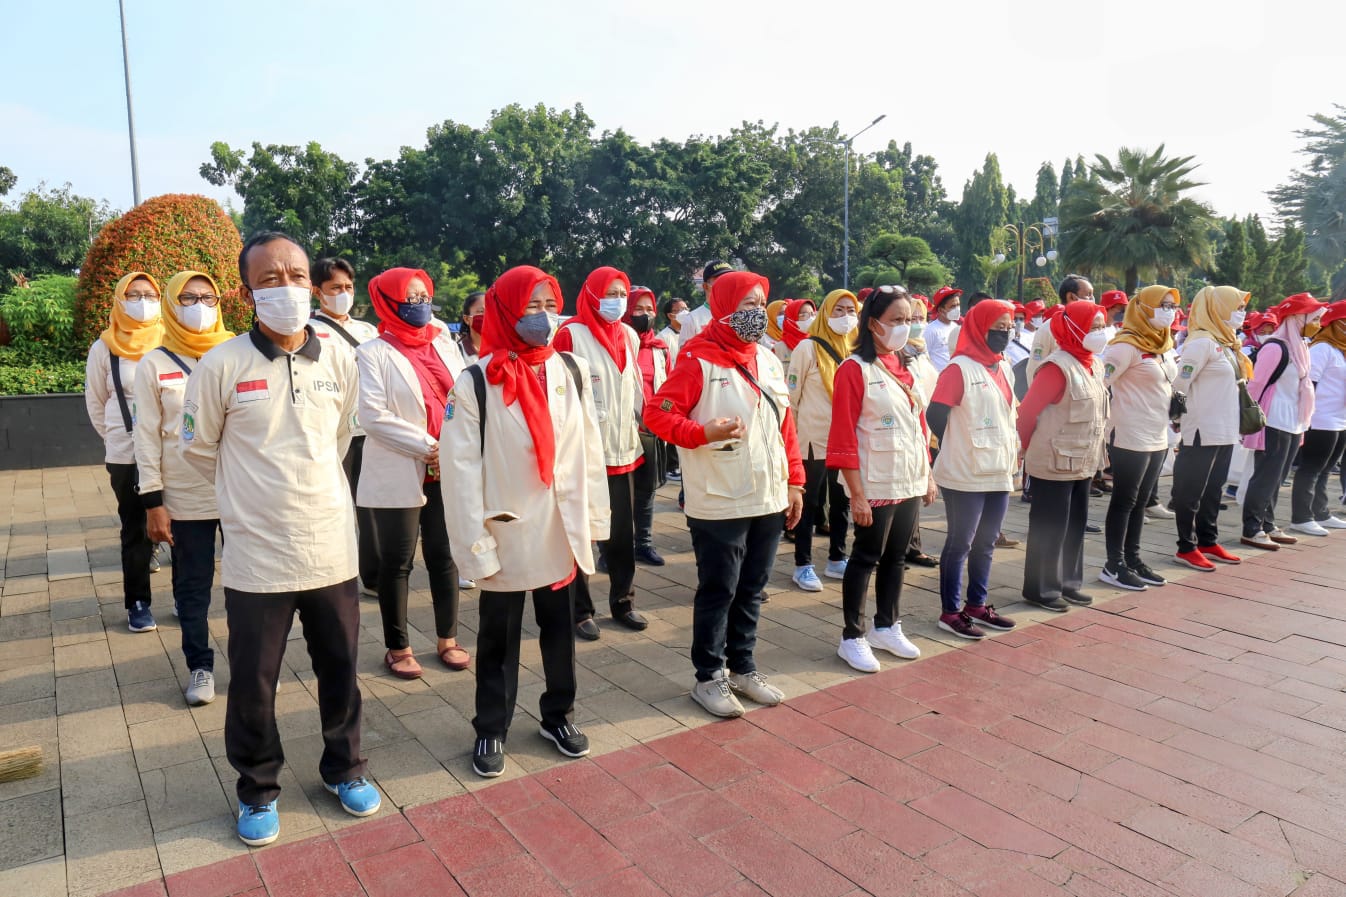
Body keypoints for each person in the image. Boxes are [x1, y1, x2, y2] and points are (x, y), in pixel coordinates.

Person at [181, 232, 378, 845]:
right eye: (270, 279)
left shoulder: (341, 358)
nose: (287, 288)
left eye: (297, 275)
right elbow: (199, 449)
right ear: (247, 294)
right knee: (254, 680)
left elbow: (341, 438)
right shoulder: (222, 364)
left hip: (330, 546)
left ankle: (344, 769)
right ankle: (257, 788)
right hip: (257, 555)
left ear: (313, 286)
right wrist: (253, 502)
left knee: (340, 667)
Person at [440, 265, 609, 778]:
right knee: (499, 637)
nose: (543, 316)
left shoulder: (569, 369)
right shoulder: (475, 381)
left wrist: (594, 520)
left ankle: (558, 715)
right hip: (507, 530)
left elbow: (589, 450)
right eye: (531, 306)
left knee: (561, 631)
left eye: (548, 305)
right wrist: (475, 546)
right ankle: (491, 724)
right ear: (508, 311)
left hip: (559, 527)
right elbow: (460, 472)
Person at [645, 270, 804, 719]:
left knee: (752, 588)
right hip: (719, 498)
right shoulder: (698, 359)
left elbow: (785, 428)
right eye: (746, 304)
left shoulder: (770, 360)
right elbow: (657, 414)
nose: (754, 313)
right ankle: (708, 676)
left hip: (769, 494)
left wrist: (795, 482)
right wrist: (701, 432)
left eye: (760, 304)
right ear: (722, 306)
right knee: (720, 589)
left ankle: (743, 667)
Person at [355, 267, 470, 679]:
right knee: (398, 562)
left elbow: (463, 395)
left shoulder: (444, 341)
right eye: (410, 297)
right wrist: (429, 448)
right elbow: (373, 415)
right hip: (403, 466)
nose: (420, 305)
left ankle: (448, 638)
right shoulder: (373, 352)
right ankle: (398, 646)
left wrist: (455, 447)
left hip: (448, 467)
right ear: (388, 301)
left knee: (444, 555)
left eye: (425, 297)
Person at [133, 271, 234, 704]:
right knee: (191, 587)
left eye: (208, 297)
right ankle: (201, 667)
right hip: (184, 495)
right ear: (172, 304)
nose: (199, 306)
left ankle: (252, 665)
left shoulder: (236, 353)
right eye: (188, 298)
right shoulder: (153, 363)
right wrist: (154, 501)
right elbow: (146, 437)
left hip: (239, 491)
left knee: (250, 585)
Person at [826, 288, 936, 671]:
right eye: (896, 320)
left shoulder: (905, 366)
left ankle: (886, 625)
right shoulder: (855, 369)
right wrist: (856, 494)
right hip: (874, 482)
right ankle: (852, 636)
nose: (905, 327)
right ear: (873, 324)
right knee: (866, 557)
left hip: (907, 478)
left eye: (909, 320)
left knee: (897, 558)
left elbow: (920, 426)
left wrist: (928, 476)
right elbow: (841, 437)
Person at [554, 267, 648, 636]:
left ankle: (623, 602)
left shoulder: (629, 334)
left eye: (622, 293)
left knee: (623, 536)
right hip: (584, 453)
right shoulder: (570, 335)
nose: (618, 301)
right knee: (581, 533)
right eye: (609, 293)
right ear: (591, 294)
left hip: (623, 450)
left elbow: (633, 388)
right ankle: (580, 610)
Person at [926, 299, 1021, 639]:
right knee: (961, 543)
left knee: (987, 542)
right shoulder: (959, 369)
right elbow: (935, 415)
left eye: (1010, 328)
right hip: (965, 471)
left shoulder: (1004, 366)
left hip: (998, 468)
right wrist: (958, 442)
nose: (1006, 334)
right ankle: (950, 611)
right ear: (980, 329)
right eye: (999, 328)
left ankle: (977, 605)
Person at [85, 271, 164, 633]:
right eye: (133, 294)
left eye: (149, 294)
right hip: (126, 453)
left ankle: (185, 595)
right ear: (120, 300)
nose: (142, 300)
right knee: (135, 531)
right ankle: (138, 603)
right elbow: (96, 403)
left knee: (184, 524)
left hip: (171, 450)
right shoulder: (105, 347)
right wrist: (119, 438)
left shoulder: (171, 338)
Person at [1017, 301, 1109, 612]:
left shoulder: (1093, 363)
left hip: (1083, 459)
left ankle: (1069, 583)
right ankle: (1041, 589)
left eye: (1101, 326)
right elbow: (1027, 413)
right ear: (1074, 328)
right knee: (1050, 526)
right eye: (1093, 327)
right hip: (1053, 460)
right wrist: (1025, 450)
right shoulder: (1057, 367)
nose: (1099, 332)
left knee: (1075, 524)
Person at [1097, 286, 1181, 590]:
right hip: (1130, 433)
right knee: (1125, 499)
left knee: (1142, 501)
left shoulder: (1162, 345)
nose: (1169, 311)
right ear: (1143, 308)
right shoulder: (1125, 346)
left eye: (1172, 305)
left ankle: (1133, 559)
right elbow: (1099, 384)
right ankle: (1113, 563)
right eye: (1163, 305)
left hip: (1158, 434)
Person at [309, 257, 382, 598]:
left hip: (369, 429)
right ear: (316, 292)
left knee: (368, 506)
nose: (343, 294)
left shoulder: (368, 331)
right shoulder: (309, 331)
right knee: (333, 503)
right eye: (335, 288)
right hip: (332, 430)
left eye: (348, 288)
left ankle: (372, 576)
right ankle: (329, 569)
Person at [1168, 286, 1250, 570]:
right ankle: (1186, 546)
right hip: (1202, 427)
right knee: (1192, 490)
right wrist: (1177, 419)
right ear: (1218, 307)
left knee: (1214, 488)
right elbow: (1180, 384)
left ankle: (1208, 540)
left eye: (1242, 307)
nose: (1242, 312)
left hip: (1225, 427)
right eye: (1236, 307)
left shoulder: (1226, 342)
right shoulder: (1201, 342)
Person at [1241, 292, 1328, 547]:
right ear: (1297, 318)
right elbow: (1255, 386)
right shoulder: (1275, 347)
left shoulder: (1300, 347)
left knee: (1278, 478)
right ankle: (1251, 527)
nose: (1317, 323)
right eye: (1314, 318)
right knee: (1266, 476)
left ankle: (1267, 523)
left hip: (1293, 422)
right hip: (1273, 420)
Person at [787, 289, 857, 591]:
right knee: (810, 503)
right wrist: (793, 441)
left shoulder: (854, 348)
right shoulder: (807, 348)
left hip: (844, 438)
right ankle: (803, 564)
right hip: (812, 439)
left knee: (841, 501)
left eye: (850, 310)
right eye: (838, 310)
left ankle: (837, 557)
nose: (845, 316)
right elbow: (792, 397)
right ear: (826, 313)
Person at [626, 286, 674, 566]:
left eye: (649, 309)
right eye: (638, 309)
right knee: (618, 494)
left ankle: (642, 544)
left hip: (651, 431)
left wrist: (663, 415)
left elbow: (668, 390)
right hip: (623, 429)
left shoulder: (660, 348)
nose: (645, 315)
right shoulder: (620, 344)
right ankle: (614, 548)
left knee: (647, 490)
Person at [1291, 301, 1346, 534]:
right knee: (1311, 468)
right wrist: (1306, 418)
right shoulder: (1322, 348)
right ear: (1336, 323)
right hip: (1321, 419)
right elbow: (1307, 386)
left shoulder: (1340, 350)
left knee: (1327, 467)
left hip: (1339, 419)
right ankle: (1301, 517)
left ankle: (1321, 512)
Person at [903, 292, 944, 565]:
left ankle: (913, 545)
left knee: (918, 488)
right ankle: (897, 546)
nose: (917, 323)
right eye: (911, 318)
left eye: (920, 318)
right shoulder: (898, 354)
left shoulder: (921, 352)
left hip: (925, 427)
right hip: (905, 429)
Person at [1027, 274, 1094, 382]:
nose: (1092, 299)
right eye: (1089, 295)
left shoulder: (1090, 327)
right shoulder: (1048, 328)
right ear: (1071, 297)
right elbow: (1034, 368)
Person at [678, 260, 734, 344]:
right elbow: (684, 354)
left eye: (729, 282)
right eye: (719, 282)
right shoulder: (692, 320)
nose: (725, 287)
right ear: (705, 286)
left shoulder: (740, 316)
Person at [924, 286, 962, 372]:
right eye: (952, 306)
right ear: (941, 310)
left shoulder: (955, 327)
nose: (957, 309)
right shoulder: (931, 330)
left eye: (958, 305)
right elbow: (924, 358)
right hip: (938, 379)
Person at [774, 298, 816, 365]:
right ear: (791, 319)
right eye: (804, 315)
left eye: (812, 314)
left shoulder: (816, 345)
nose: (811, 318)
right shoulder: (779, 348)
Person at [457, 290, 486, 359]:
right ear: (467, 319)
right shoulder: (457, 352)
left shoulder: (504, 350)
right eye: (481, 311)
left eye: (491, 310)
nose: (487, 315)